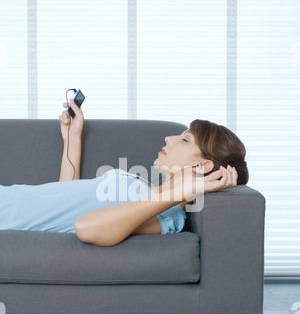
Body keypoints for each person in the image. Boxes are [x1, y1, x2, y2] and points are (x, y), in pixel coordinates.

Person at [0, 100, 246, 246]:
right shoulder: (145, 187)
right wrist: (72, 138)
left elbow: (86, 227)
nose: (169, 138)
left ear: (201, 166)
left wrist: (182, 193)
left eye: (183, 140)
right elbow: (64, 195)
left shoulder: (168, 216)